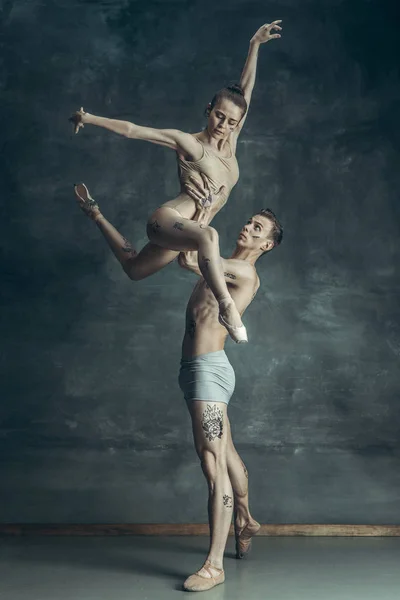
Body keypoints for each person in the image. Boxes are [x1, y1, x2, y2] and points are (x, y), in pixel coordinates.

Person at [70, 20, 282, 343]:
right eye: (218, 116)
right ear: (208, 110)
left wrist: (254, 45)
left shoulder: (232, 141)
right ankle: (228, 307)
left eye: (231, 121)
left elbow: (246, 91)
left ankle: (94, 212)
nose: (223, 125)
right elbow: (133, 130)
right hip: (169, 220)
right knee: (209, 235)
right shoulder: (190, 143)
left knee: (135, 269)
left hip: (188, 231)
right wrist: (88, 118)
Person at [176, 179, 283, 592]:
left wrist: (202, 218)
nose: (248, 228)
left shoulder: (243, 271)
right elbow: (191, 258)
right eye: (249, 222)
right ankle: (247, 519)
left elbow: (191, 259)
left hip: (208, 372)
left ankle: (214, 565)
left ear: (267, 245)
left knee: (212, 462)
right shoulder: (222, 263)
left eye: (258, 229)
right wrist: (202, 213)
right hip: (193, 370)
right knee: (226, 453)